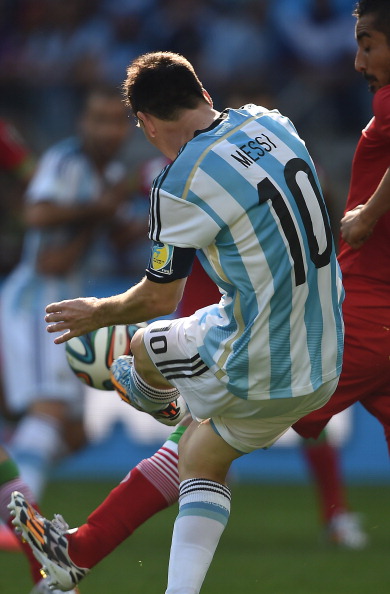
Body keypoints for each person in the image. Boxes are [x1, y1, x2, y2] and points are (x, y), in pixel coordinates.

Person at [10, 51, 343, 593]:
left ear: (145, 124)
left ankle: (152, 395)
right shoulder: (271, 121)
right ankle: (106, 560)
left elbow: (157, 298)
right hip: (324, 356)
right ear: (205, 95)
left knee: (144, 343)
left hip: (258, 354)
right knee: (199, 454)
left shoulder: (180, 181)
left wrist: (98, 312)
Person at [0, 85, 134, 507]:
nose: (107, 130)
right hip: (39, 303)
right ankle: (17, 517)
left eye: (115, 121)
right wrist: (102, 209)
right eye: (98, 119)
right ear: (83, 124)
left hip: (70, 307)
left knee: (76, 435)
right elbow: (37, 215)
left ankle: (13, 464)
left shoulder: (110, 177)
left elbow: (116, 229)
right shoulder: (65, 161)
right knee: (50, 410)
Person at [292, 0, 390, 451]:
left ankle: (97, 528)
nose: (358, 61)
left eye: (368, 46)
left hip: (364, 313)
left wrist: (368, 214)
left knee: (232, 420)